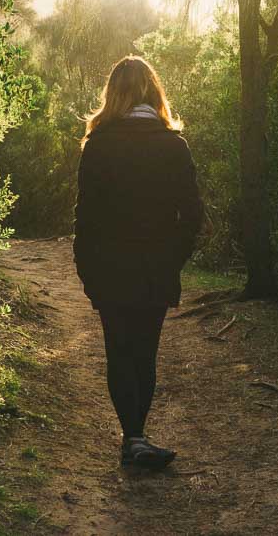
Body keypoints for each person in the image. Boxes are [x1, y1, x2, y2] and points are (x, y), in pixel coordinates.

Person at [72, 54, 204, 470]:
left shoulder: (98, 146)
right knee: (145, 353)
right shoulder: (173, 145)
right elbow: (194, 216)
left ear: (114, 94)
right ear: (153, 91)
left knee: (119, 351)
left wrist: (87, 270)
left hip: (109, 269)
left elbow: (85, 218)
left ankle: (133, 436)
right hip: (154, 269)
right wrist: (173, 259)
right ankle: (136, 436)